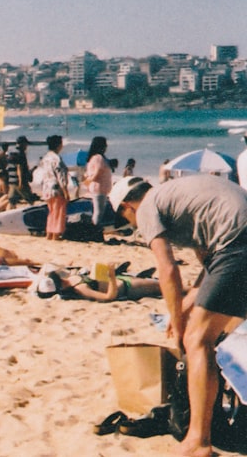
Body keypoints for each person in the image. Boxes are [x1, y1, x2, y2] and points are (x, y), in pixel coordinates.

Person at [108, 174, 247, 457]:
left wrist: (181, 325)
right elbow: (210, 269)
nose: (133, 227)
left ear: (127, 206)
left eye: (127, 221)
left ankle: (198, 440)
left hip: (238, 243)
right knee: (216, 332)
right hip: (236, 241)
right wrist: (180, 309)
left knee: (197, 340)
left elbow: (168, 270)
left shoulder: (148, 208)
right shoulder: (180, 201)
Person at [46, 264, 161, 302]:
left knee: (159, 283)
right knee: (162, 287)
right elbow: (108, 297)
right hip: (127, 288)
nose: (61, 279)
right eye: (59, 281)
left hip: (120, 279)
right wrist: (111, 277)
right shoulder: (81, 289)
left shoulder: (70, 279)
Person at [37, 135, 69, 240]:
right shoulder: (57, 159)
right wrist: (65, 191)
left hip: (46, 187)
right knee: (58, 211)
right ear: (58, 145)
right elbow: (61, 177)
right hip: (56, 188)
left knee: (51, 211)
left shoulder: (46, 158)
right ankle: (56, 234)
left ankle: (49, 233)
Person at [83, 136, 113, 228]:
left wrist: (87, 182)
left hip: (97, 187)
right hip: (99, 187)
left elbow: (87, 174)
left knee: (97, 211)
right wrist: (88, 181)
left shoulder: (93, 158)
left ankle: (94, 229)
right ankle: (95, 229)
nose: (106, 146)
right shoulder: (99, 158)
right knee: (99, 212)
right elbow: (98, 172)